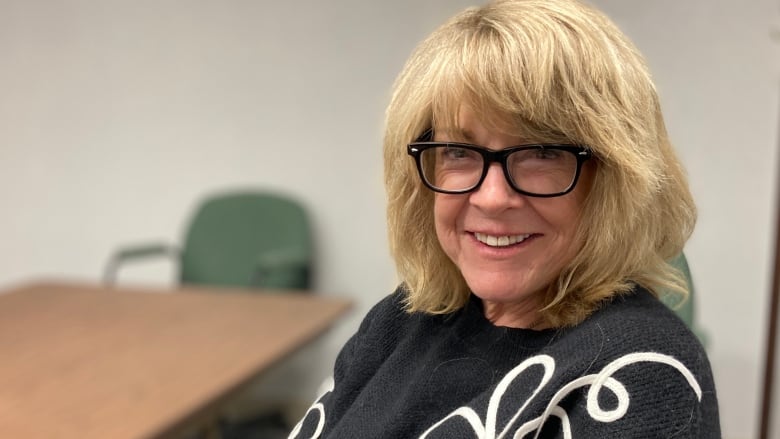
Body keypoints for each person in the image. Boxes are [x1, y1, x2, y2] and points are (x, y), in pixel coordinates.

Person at [290, 0, 720, 437]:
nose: (492, 198)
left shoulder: (639, 375)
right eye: (458, 151)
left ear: (615, 179)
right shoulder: (402, 319)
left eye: (542, 152)